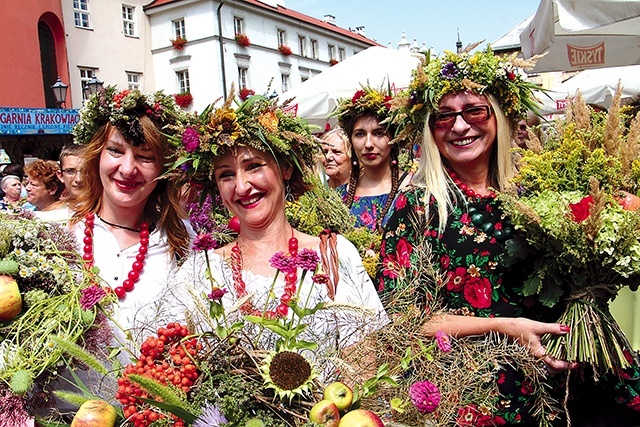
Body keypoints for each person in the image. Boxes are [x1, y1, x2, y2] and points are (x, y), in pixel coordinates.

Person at [377, 47, 640, 426]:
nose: (460, 126)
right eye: (444, 116)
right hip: (479, 395)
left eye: (474, 111)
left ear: (498, 117)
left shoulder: (538, 187)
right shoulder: (419, 205)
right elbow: (404, 318)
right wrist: (503, 326)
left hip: (568, 386)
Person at [173, 94, 387, 358]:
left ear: (285, 168)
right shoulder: (199, 272)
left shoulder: (335, 255)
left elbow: (365, 366)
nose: (241, 186)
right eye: (226, 175)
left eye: (254, 167)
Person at [333, 86, 410, 232]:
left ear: (394, 138)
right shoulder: (340, 197)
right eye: (360, 134)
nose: (368, 144)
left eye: (379, 133)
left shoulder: (414, 187)